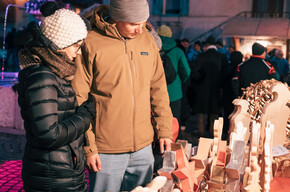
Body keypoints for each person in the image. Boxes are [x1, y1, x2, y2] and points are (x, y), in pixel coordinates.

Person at [71, 1, 173, 191]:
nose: (140, 29)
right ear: (117, 17)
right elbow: (79, 98)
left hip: (143, 148)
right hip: (106, 150)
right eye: (134, 24)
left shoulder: (147, 40)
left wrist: (164, 129)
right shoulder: (91, 42)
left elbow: (158, 88)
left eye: (143, 23)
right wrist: (89, 147)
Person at [16, 2, 96, 191]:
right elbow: (48, 135)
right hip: (52, 177)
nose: (77, 53)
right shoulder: (42, 77)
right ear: (58, 44)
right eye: (75, 46)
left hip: (61, 171)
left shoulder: (55, 72)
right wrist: (85, 115)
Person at [189, 35, 228, 137]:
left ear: (206, 45)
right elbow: (225, 74)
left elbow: (195, 74)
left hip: (202, 88)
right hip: (216, 89)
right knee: (214, 112)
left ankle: (200, 130)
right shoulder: (221, 57)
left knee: (201, 111)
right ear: (215, 45)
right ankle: (213, 132)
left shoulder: (200, 56)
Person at [157, 24, 191, 139]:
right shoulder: (178, 51)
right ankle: (174, 145)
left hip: (154, 91)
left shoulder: (152, 48)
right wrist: (180, 82)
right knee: (174, 119)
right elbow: (186, 71)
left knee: (156, 118)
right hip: (174, 92)